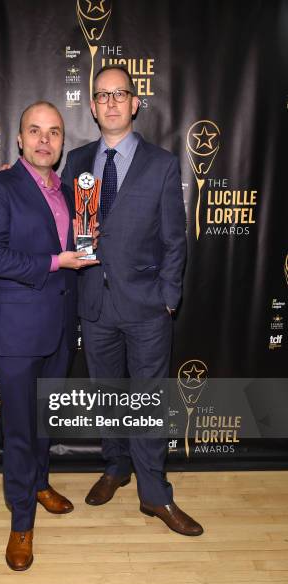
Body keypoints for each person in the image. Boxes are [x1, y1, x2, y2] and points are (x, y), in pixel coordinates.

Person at [61, 66, 203, 536]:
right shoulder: (77, 160)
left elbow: (174, 238)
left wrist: (168, 298)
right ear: (93, 106)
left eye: (120, 93)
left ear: (135, 102)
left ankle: (154, 493)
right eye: (102, 96)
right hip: (94, 304)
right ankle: (116, 465)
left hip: (146, 307)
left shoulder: (161, 163)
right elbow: (58, 221)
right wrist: (13, 182)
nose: (112, 102)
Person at [0, 101, 99, 571]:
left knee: (44, 423)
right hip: (16, 333)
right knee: (22, 432)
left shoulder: (72, 192)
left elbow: (82, 248)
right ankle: (20, 523)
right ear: (20, 139)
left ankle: (40, 484)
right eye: (35, 131)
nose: (45, 140)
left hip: (60, 328)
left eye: (54, 132)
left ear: (63, 143)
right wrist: (55, 262)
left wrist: (84, 252)